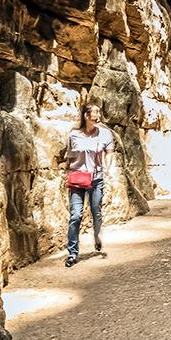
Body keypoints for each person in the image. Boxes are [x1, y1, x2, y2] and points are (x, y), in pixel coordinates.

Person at [63, 102, 116, 268]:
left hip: (96, 179)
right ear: (86, 116)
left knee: (96, 212)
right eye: (96, 112)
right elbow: (70, 157)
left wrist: (109, 169)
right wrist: (67, 175)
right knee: (75, 216)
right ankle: (72, 253)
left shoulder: (105, 134)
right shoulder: (74, 135)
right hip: (77, 180)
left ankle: (97, 235)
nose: (99, 115)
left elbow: (109, 153)